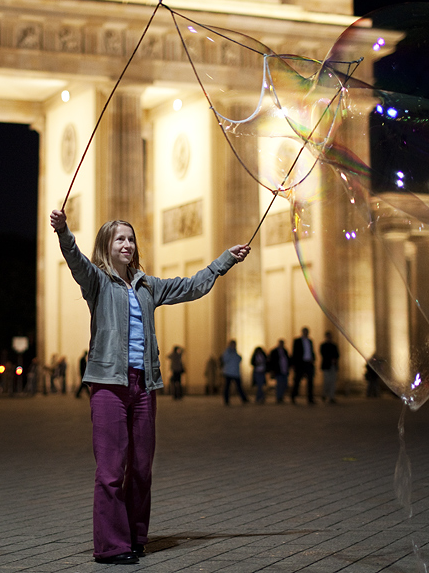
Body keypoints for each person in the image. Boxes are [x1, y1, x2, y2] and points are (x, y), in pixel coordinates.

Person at [50, 208, 248, 565]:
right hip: (109, 384)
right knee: (111, 470)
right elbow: (75, 259)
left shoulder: (147, 285)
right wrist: (63, 231)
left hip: (144, 386)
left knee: (141, 468)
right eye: (119, 239)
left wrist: (224, 261)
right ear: (106, 247)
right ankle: (110, 546)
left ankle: (135, 537)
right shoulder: (96, 281)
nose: (127, 244)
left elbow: (190, 286)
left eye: (130, 239)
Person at [292, 327, 315, 404]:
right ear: (302, 332)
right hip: (300, 363)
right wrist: (295, 364)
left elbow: (312, 351)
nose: (306, 333)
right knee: (297, 380)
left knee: (310, 381)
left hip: (309, 363)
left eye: (307, 332)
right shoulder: (297, 341)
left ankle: (310, 398)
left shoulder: (310, 341)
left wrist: (313, 358)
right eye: (305, 332)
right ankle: (293, 396)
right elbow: (294, 353)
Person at [221, 340, 248, 405]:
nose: (234, 346)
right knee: (227, 387)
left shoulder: (235, 352)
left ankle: (244, 398)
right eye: (232, 344)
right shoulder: (227, 352)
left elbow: (238, 359)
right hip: (229, 372)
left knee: (239, 386)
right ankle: (226, 400)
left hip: (235, 372)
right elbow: (225, 359)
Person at [319, 331, 339, 404]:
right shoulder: (323, 345)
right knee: (327, 381)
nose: (329, 338)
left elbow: (337, 354)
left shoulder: (334, 345)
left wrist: (334, 359)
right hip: (326, 366)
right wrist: (331, 358)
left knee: (333, 382)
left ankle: (331, 397)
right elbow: (323, 354)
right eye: (328, 336)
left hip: (333, 366)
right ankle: (324, 394)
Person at [267, 339, 289, 404]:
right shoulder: (274, 351)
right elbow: (271, 361)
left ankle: (281, 396)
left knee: (285, 384)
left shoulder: (285, 351)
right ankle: (279, 397)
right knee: (279, 384)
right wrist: (271, 370)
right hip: (278, 370)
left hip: (284, 370)